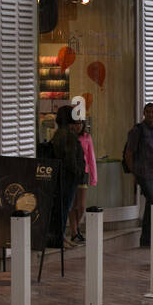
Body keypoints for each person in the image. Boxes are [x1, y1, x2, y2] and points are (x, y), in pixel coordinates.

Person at [124, 103, 153, 247]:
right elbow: (129, 153)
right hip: (144, 173)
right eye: (147, 112)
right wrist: (134, 173)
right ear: (144, 113)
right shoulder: (137, 131)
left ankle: (146, 240)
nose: (150, 114)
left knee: (150, 206)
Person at [50, 105, 85, 248]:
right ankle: (60, 238)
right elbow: (70, 157)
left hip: (62, 176)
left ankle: (61, 237)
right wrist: (77, 172)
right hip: (68, 177)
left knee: (62, 207)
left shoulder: (59, 133)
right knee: (64, 207)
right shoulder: (68, 134)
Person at [69, 117, 97, 243]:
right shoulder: (68, 137)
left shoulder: (87, 137)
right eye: (75, 124)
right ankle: (74, 232)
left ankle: (76, 227)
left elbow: (91, 157)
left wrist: (93, 177)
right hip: (70, 173)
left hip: (83, 173)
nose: (78, 126)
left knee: (81, 206)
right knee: (72, 204)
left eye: (80, 123)